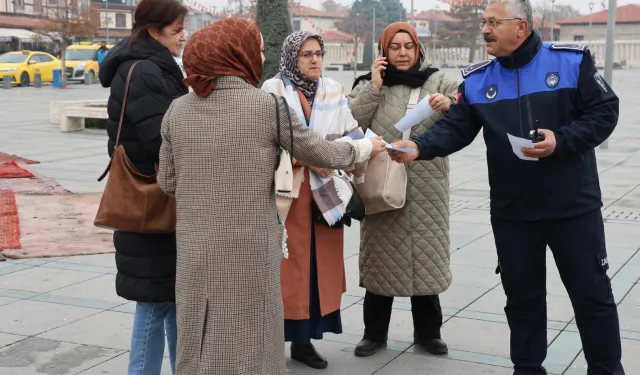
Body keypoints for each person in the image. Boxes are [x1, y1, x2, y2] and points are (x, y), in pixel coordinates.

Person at [389, 1, 624, 374]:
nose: (485, 29)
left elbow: (605, 110)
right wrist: (419, 146)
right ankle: (528, 369)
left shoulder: (570, 62)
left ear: (522, 26)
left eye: (494, 22)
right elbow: (457, 127)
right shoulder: (479, 79)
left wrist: (561, 141)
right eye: (484, 22)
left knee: (592, 297)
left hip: (573, 208)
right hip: (513, 212)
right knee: (522, 301)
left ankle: (607, 369)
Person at [156, 18, 386, 375]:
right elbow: (321, 154)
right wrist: (364, 148)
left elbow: (168, 182)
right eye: (257, 49)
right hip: (252, 246)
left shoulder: (177, 110)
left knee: (198, 331)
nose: (261, 56)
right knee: (255, 335)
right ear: (238, 55)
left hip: (195, 249)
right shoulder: (267, 106)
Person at [346, 22, 459, 357]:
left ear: (418, 48)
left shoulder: (438, 80)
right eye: (395, 47)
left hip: (427, 185)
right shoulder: (369, 84)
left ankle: (429, 333)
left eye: (408, 45)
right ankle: (374, 334)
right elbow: (350, 123)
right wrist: (374, 88)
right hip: (382, 185)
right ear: (384, 51)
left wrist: (448, 104)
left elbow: (465, 112)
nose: (403, 52)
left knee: (426, 257)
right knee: (381, 257)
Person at [262, 31, 364, 370]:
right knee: (287, 270)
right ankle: (273, 341)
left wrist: (332, 155)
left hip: (325, 196)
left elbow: (352, 134)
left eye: (318, 53)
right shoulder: (271, 91)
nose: (315, 59)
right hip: (286, 195)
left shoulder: (333, 89)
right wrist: (309, 157)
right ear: (292, 58)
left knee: (317, 271)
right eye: (306, 54)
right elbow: (266, 144)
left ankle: (304, 344)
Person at [98, 0, 189, 373]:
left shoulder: (153, 66)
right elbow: (160, 142)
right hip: (150, 205)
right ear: (153, 31)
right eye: (176, 29)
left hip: (157, 205)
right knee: (154, 305)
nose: (184, 35)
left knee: (168, 299)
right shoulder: (146, 70)